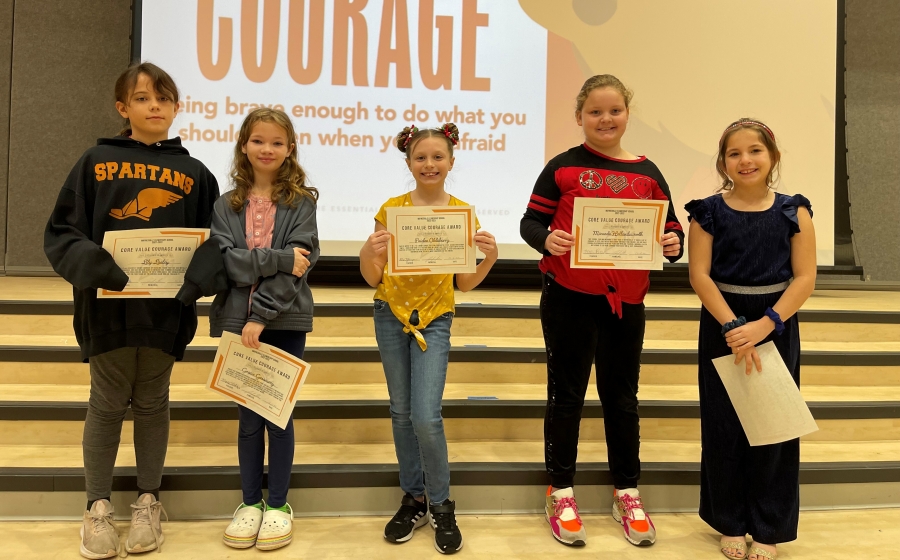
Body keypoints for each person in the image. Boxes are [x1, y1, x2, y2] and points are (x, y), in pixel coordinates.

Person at [44, 62, 219, 558]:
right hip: (108, 309)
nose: (155, 106)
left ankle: (148, 500)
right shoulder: (95, 161)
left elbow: (216, 241)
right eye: (143, 99)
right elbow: (63, 233)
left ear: (177, 107)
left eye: (164, 98)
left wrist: (194, 284)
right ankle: (97, 508)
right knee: (106, 402)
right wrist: (104, 269)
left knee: (153, 402)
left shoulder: (196, 173)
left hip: (165, 312)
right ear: (123, 108)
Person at [520, 74, 684, 548]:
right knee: (567, 395)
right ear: (579, 117)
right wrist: (546, 238)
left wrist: (673, 244)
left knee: (622, 398)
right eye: (595, 112)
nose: (605, 119)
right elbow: (532, 221)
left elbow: (669, 230)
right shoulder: (563, 167)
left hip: (626, 302)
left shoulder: (650, 173)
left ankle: (627, 490)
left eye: (614, 111)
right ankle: (561, 490)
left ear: (627, 114)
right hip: (569, 296)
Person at [358, 123, 498, 555]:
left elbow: (466, 282)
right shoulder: (391, 209)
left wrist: (489, 256)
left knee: (425, 415)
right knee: (401, 413)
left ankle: (441, 502)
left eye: (438, 157)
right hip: (389, 314)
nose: (429, 164)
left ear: (451, 162)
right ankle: (414, 498)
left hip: (435, 318)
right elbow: (371, 277)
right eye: (421, 157)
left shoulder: (462, 213)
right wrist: (371, 251)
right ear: (408, 163)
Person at [685, 119, 816, 560]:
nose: (745, 160)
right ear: (723, 162)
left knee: (774, 427)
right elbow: (699, 275)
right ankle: (730, 521)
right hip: (722, 325)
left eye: (755, 151)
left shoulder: (793, 211)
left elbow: (805, 277)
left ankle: (769, 525)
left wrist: (766, 324)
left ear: (772, 157)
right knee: (724, 427)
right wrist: (732, 327)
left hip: (775, 325)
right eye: (734, 153)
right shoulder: (707, 211)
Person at [209, 108, 319, 551]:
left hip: (284, 320)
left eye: (276, 142)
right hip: (235, 321)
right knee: (248, 419)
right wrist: (275, 258)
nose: (267, 149)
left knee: (278, 415)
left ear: (289, 149)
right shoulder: (225, 204)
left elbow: (300, 265)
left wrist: (261, 314)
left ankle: (277, 506)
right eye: (258, 140)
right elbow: (226, 262)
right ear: (244, 146)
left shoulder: (301, 203)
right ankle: (249, 502)